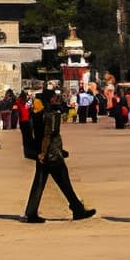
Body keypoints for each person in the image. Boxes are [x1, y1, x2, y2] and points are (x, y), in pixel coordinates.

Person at [23, 90, 94, 224]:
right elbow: (49, 136)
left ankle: (31, 212)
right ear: (49, 100)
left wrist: (39, 153)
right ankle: (78, 209)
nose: (56, 99)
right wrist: (46, 153)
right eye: (54, 98)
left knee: (39, 184)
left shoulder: (36, 114)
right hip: (52, 155)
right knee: (64, 183)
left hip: (42, 154)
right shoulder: (52, 114)